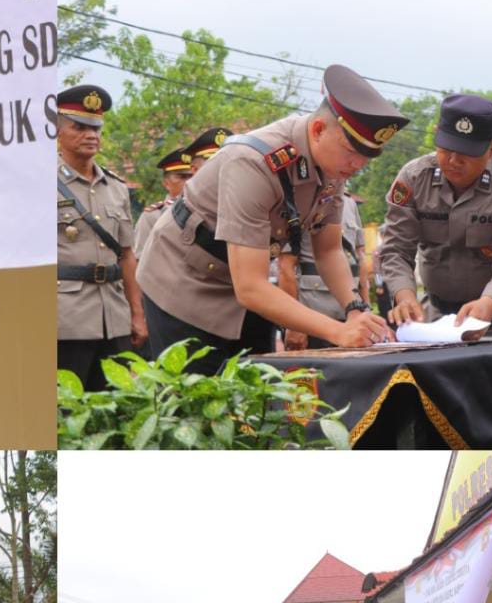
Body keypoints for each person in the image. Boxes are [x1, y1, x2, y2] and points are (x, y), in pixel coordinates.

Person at [137, 65, 407, 374]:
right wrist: (337, 331)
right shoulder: (253, 162)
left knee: (256, 400)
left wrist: (354, 309)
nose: (358, 164)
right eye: (351, 151)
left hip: (245, 286)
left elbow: (328, 249)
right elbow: (250, 286)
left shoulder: (332, 167)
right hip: (184, 283)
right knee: (196, 403)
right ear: (318, 130)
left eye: (367, 156)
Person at [383, 94, 492, 332]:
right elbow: (396, 249)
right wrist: (404, 296)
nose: (454, 161)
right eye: (446, 149)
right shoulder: (413, 178)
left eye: (467, 153)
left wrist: (490, 303)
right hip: (432, 320)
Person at [56, 84, 147, 391]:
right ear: (57, 131)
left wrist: (137, 313)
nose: (91, 134)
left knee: (113, 409)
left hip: (114, 317)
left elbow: (126, 255)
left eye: (95, 127)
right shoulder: (40, 183)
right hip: (65, 321)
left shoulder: (117, 188)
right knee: (67, 414)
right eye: (79, 127)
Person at [281, 190, 369, 349]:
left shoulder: (349, 203)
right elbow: (286, 266)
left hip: (351, 311)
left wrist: (366, 307)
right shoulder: (301, 199)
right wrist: (294, 325)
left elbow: (360, 257)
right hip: (314, 314)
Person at [133, 148, 193, 258]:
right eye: (182, 177)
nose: (188, 181)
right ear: (166, 183)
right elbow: (140, 258)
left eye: (192, 176)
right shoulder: (152, 216)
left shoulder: (208, 210)